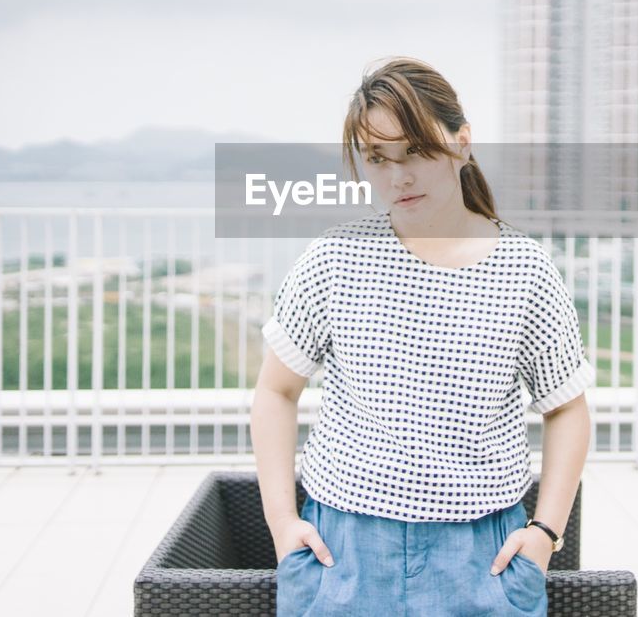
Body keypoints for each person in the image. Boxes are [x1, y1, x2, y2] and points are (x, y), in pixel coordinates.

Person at [250, 57, 595, 617]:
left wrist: (545, 535)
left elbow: (567, 408)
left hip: (484, 559)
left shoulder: (526, 272)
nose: (397, 177)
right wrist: (283, 525)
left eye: (414, 151)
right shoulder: (336, 259)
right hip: (344, 554)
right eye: (378, 159)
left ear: (462, 142)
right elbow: (275, 391)